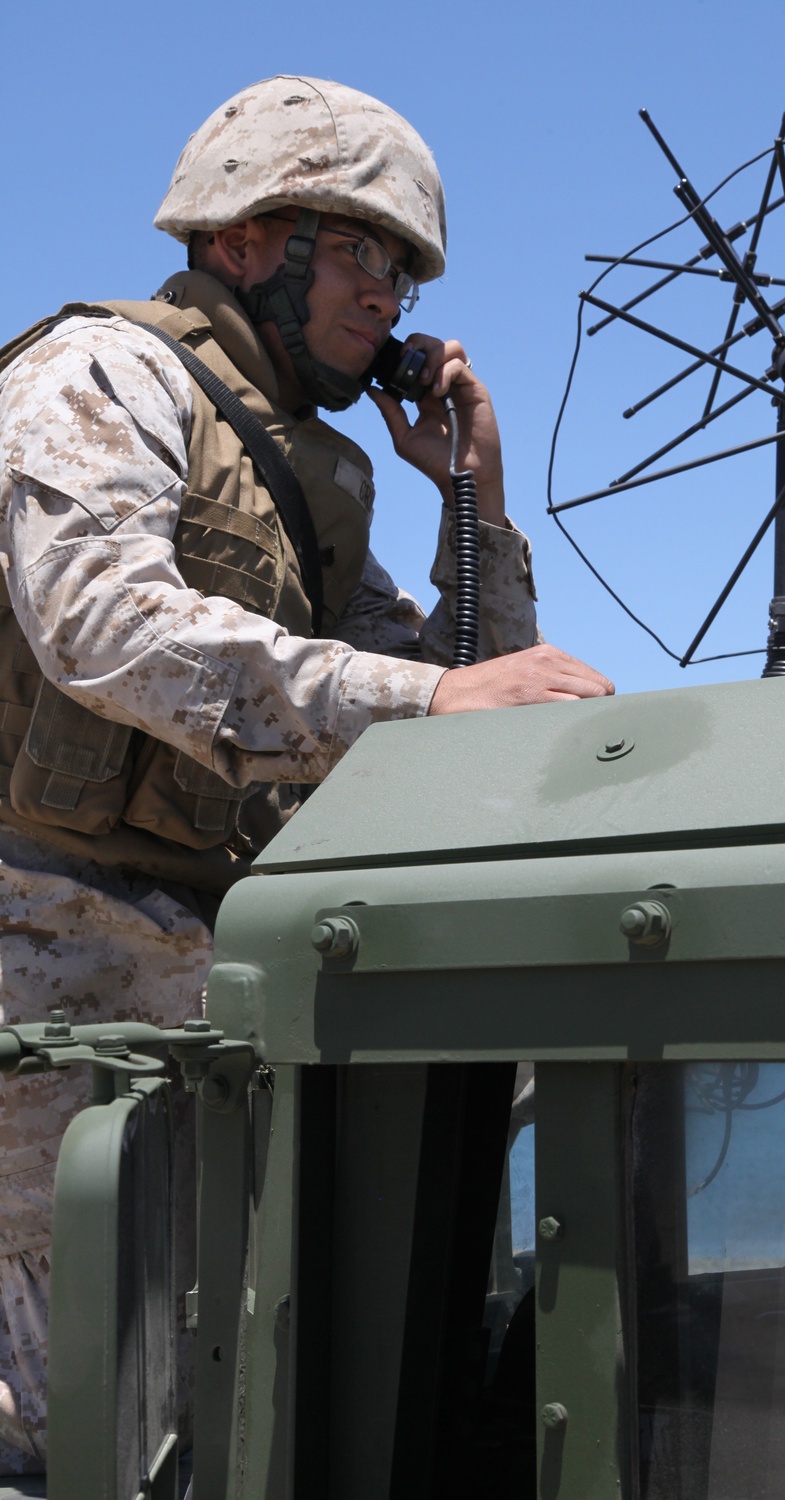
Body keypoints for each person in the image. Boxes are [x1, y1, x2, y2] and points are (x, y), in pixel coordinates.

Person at [0, 75, 613, 1472]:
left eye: (402, 270)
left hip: (194, 953)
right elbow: (106, 627)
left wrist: (478, 499)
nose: (388, 296)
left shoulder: (307, 469)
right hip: (44, 950)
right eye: (359, 253)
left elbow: (469, 702)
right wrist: (434, 691)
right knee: (80, 1424)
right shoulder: (100, 379)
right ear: (243, 242)